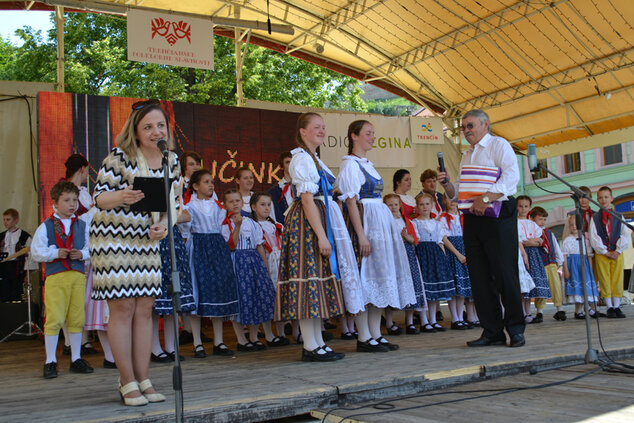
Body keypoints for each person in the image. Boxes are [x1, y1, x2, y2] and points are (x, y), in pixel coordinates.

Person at [90, 99, 174, 406]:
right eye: (148, 127)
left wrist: (163, 225)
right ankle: (127, 381)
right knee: (123, 307)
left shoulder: (170, 160)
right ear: (136, 131)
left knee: (145, 309)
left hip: (146, 240)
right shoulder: (119, 157)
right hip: (113, 238)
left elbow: (170, 205)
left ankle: (145, 379)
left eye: (160, 126)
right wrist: (122, 195)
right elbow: (98, 199)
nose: (155, 132)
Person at [439, 109, 525, 348]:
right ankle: (492, 331)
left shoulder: (499, 145)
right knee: (479, 275)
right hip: (473, 217)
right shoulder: (467, 155)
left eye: (470, 126)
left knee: (505, 274)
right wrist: (446, 185)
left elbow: (511, 177)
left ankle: (516, 329)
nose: (466, 131)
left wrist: (485, 198)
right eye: (463, 127)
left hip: (498, 214)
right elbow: (459, 191)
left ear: (485, 124)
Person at [276, 112, 356, 362]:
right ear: (303, 131)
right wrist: (322, 235)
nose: (322, 131)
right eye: (316, 127)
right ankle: (310, 344)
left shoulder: (314, 159)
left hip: (318, 221)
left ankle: (317, 342)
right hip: (307, 225)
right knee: (307, 280)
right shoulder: (301, 159)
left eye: (323, 127)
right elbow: (307, 199)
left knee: (316, 280)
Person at [338, 120, 416, 353]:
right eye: (368, 133)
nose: (372, 137)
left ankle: (374, 333)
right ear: (354, 136)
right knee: (366, 278)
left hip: (379, 225)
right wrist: (361, 235)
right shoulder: (350, 165)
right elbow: (351, 201)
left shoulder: (366, 163)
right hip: (365, 223)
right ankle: (363, 336)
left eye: (373, 133)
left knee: (379, 277)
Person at [30, 181, 93, 379]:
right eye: (66, 200)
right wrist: (56, 252)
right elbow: (36, 252)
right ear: (55, 203)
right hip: (56, 277)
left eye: (74, 200)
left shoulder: (82, 225)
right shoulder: (46, 226)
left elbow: (92, 249)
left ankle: (76, 358)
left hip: (77, 275)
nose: (72, 204)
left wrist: (81, 255)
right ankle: (50, 360)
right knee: (55, 317)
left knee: (76, 317)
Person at [62, 153, 115, 367]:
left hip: (98, 256)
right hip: (82, 249)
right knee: (76, 299)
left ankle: (87, 345)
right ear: (83, 169)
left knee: (95, 305)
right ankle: (72, 344)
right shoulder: (73, 196)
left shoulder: (86, 195)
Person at [183, 170, 240, 357]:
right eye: (206, 182)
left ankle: (219, 341)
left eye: (212, 182)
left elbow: (224, 229)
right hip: (199, 247)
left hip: (217, 247)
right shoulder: (190, 207)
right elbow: (185, 231)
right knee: (199, 292)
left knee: (218, 292)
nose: (211, 185)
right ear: (195, 186)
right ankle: (197, 342)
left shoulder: (218, 207)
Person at [222, 189, 277, 352]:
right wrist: (237, 226)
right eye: (231, 202)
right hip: (236, 262)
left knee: (255, 297)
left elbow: (259, 245)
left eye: (237, 201)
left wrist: (264, 265)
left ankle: (253, 336)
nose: (235, 204)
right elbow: (231, 244)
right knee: (240, 299)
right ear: (225, 205)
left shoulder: (252, 223)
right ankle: (241, 339)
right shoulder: (225, 223)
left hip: (253, 261)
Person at [383, 194, 429, 334]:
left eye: (395, 204)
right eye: (390, 205)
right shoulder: (384, 221)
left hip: (408, 255)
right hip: (392, 256)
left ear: (400, 206)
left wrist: (406, 237)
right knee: (393, 286)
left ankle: (409, 322)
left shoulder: (407, 221)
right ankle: (389, 323)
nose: (393, 207)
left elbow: (415, 241)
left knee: (411, 285)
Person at [252, 192, 291, 346]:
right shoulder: (254, 225)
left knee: (280, 297)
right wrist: (265, 267)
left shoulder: (276, 225)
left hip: (279, 261)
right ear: (254, 207)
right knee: (267, 298)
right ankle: (269, 334)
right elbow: (259, 246)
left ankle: (281, 333)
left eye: (269, 204)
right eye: (263, 205)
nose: (267, 208)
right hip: (267, 261)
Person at [412, 193, 455, 332]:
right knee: (425, 289)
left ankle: (433, 320)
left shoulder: (437, 223)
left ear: (432, 206)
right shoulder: (414, 223)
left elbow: (441, 241)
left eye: (427, 204)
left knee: (434, 290)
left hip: (435, 256)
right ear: (417, 206)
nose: (424, 207)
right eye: (421, 204)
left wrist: (444, 257)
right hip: (422, 254)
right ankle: (424, 321)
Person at [589, 186, 630, 318]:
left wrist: (618, 250)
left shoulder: (619, 216)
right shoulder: (595, 218)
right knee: (604, 279)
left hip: (617, 252)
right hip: (602, 253)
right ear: (597, 200)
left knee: (617, 278)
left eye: (606, 197)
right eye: (600, 197)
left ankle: (617, 306)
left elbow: (624, 234)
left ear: (611, 199)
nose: (603, 200)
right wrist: (605, 251)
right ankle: (609, 306)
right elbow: (593, 236)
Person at [440, 196, 477, 330]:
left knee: (462, 288)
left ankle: (461, 317)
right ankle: (455, 318)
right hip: (453, 252)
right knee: (455, 287)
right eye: (449, 200)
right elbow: (444, 238)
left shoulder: (463, 216)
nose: (452, 203)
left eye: (455, 200)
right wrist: (457, 254)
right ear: (445, 201)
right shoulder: (443, 218)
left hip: (465, 249)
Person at [517, 195, 550, 324]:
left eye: (526, 206)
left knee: (530, 285)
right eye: (520, 206)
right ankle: (522, 313)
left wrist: (532, 242)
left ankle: (528, 312)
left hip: (533, 254)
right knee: (523, 284)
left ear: (530, 207)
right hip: (521, 254)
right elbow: (518, 240)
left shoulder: (532, 223)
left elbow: (540, 240)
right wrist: (524, 251)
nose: (523, 209)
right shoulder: (515, 222)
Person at [531, 206, 565, 321]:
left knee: (556, 286)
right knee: (542, 287)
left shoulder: (549, 233)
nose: (542, 222)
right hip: (540, 264)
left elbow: (555, 246)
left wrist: (559, 261)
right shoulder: (532, 233)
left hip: (551, 263)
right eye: (540, 219)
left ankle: (559, 309)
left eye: (544, 219)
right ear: (532, 219)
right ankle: (539, 311)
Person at [562, 214, 599, 318]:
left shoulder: (585, 240)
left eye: (576, 224)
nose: (574, 227)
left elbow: (589, 256)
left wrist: (590, 270)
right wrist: (566, 270)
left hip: (584, 266)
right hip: (573, 267)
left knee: (585, 288)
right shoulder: (567, 240)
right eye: (571, 225)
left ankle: (587, 308)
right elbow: (564, 256)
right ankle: (578, 311)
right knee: (578, 288)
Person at [0, 208, 31, 302]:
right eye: (4, 220)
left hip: (17, 268)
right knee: (4, 293)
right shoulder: (1, 236)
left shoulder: (25, 236)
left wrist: (27, 274)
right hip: (3, 267)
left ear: (16, 220)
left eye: (8, 219)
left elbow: (30, 256)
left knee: (16, 293)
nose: (5, 222)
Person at [269, 152, 293, 224]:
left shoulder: (304, 187)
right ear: (281, 167)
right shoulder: (273, 192)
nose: (291, 165)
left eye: (293, 162)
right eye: (287, 162)